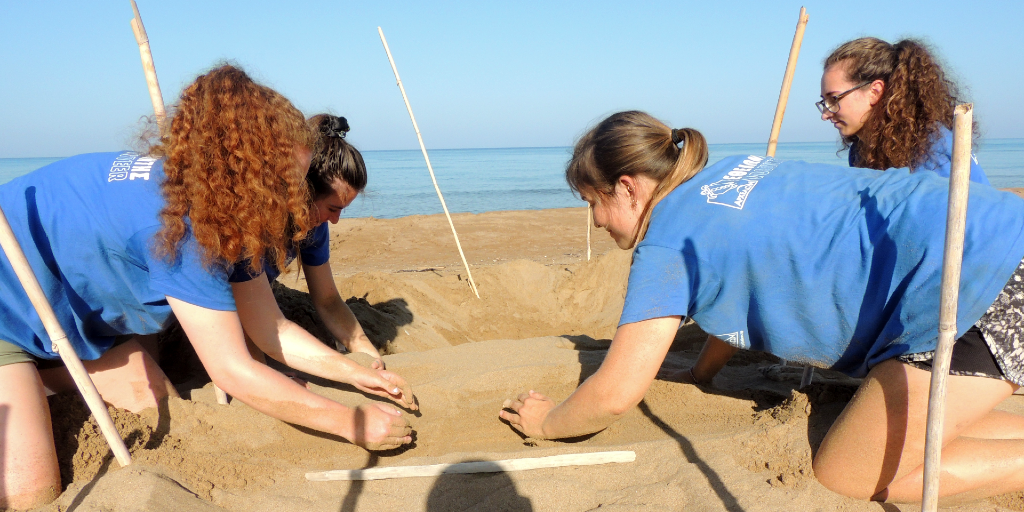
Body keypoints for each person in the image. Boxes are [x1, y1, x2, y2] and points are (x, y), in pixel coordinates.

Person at [499, 110, 1024, 504]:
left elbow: (615, 393)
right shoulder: (735, 170)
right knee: (882, 425)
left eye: (592, 203)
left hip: (975, 287)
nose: (595, 222)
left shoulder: (666, 242)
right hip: (1001, 233)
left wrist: (546, 423)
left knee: (849, 473)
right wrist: (702, 371)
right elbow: (745, 281)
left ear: (627, 187)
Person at [0, 65, 415, 510]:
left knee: (153, 400)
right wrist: (352, 423)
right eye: (290, 183)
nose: (298, 198)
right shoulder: (180, 228)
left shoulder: (222, 201)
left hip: (74, 321)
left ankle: (38, 380)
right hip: (9, 312)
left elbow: (268, 326)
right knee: (32, 492)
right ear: (248, 173)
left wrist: (353, 371)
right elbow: (231, 369)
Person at [231, 113, 384, 368]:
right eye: (332, 208)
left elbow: (328, 300)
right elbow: (240, 306)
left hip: (256, 311)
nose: (334, 221)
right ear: (302, 191)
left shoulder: (315, 225)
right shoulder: (254, 220)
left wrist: (367, 353)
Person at [818, 37, 990, 185]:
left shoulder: (930, 149)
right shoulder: (862, 151)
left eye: (834, 99)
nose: (825, 114)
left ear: (875, 92)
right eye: (824, 102)